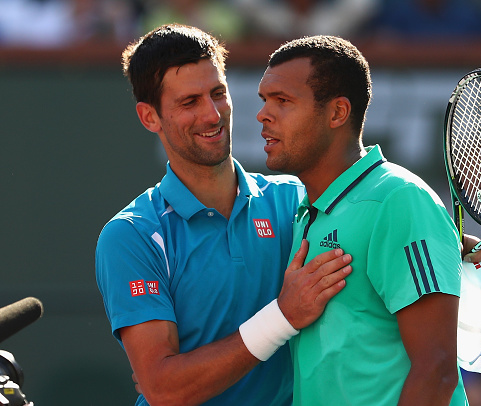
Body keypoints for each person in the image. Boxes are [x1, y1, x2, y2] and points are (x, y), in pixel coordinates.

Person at [95, 23, 354, 406]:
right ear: (149, 117)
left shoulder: (295, 201)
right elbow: (165, 388)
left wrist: (447, 240)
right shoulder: (130, 236)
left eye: (218, 94)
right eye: (189, 102)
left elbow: (380, 233)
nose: (213, 115)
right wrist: (283, 316)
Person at [256, 35, 481, 405]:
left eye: (282, 101)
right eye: (264, 100)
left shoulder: (399, 200)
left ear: (337, 113)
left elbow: (437, 371)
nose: (263, 114)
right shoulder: (305, 211)